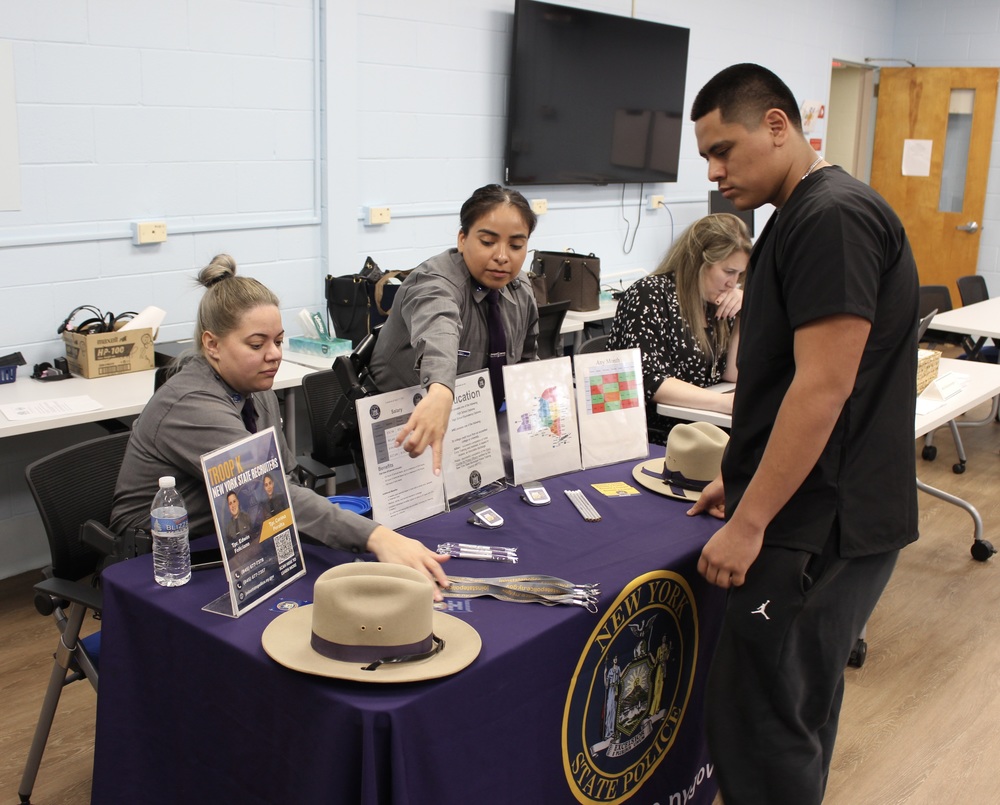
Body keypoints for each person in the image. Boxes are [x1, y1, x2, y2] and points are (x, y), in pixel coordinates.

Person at [686, 64, 919, 805]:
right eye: (707, 158)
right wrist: (743, 474)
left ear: (778, 125)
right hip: (817, 505)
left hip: (820, 523)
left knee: (765, 726)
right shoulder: (800, 215)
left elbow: (823, 386)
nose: (715, 172)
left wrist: (751, 519)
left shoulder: (831, 216)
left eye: (724, 150)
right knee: (791, 711)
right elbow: (786, 377)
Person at [110, 254, 450, 597]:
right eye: (257, 344)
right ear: (212, 345)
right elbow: (267, 494)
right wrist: (377, 537)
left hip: (238, 538)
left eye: (278, 341)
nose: (274, 354)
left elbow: (282, 481)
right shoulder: (191, 406)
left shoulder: (256, 390)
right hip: (161, 559)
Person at [368, 184, 539, 473]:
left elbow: (528, 363)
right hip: (407, 432)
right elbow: (439, 334)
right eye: (488, 242)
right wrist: (440, 392)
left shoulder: (520, 288)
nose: (502, 256)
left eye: (515, 246)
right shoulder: (433, 283)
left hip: (473, 434)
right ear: (462, 239)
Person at [607, 213, 750, 443]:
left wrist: (743, 313)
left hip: (704, 432)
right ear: (698, 262)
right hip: (657, 437)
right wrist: (723, 403)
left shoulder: (715, 300)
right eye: (728, 272)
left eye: (740, 274)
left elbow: (731, 374)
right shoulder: (650, 295)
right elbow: (649, 380)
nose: (733, 283)